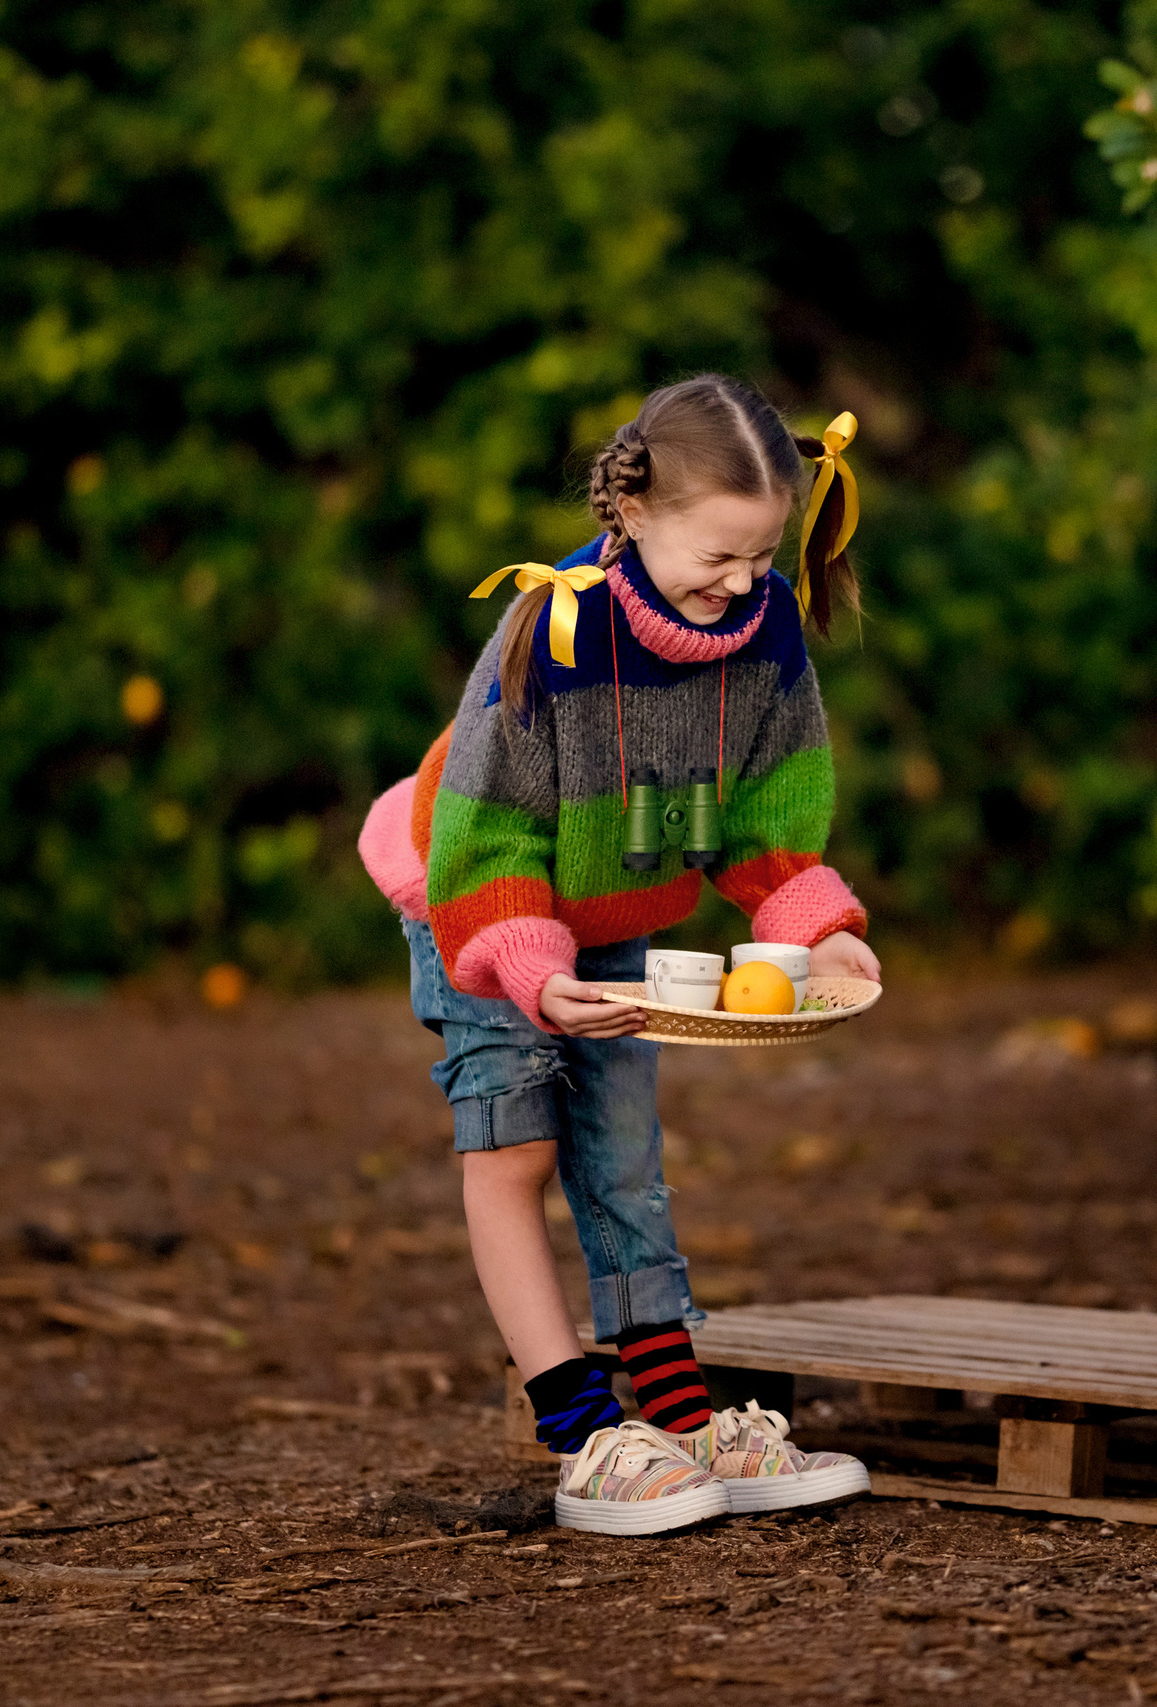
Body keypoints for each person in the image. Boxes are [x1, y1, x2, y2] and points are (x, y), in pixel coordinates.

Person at [357, 375, 879, 1535]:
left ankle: (685, 1419)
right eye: (720, 555)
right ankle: (585, 1430)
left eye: (761, 558)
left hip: (615, 909)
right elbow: (487, 829)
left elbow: (768, 814)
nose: (742, 584)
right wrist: (534, 973)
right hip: (482, 905)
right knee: (517, 1150)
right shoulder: (553, 626)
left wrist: (819, 930)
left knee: (625, 1153)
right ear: (634, 514)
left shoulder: (765, 631)